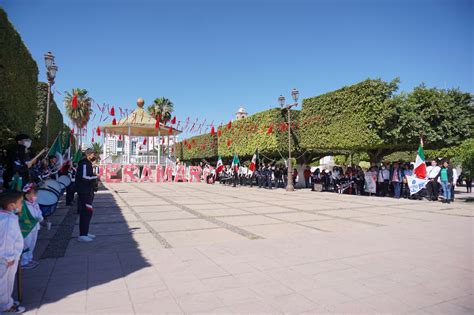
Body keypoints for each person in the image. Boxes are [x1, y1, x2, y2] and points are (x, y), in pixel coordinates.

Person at [0, 191, 26, 313]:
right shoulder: (9, 220)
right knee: (5, 283)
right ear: (11, 205)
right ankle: (6, 307)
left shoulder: (3, 216)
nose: (22, 205)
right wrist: (9, 257)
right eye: (20, 202)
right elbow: (6, 240)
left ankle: (7, 301)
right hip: (7, 259)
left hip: (5, 258)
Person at [76, 149, 98, 242]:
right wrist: (95, 177)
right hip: (84, 191)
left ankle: (85, 232)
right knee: (86, 211)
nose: (94, 155)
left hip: (88, 190)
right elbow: (84, 177)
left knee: (88, 211)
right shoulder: (84, 163)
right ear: (88, 154)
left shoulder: (88, 163)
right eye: (93, 154)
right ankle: (82, 235)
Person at [19, 184, 43, 269]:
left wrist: (40, 218)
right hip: (27, 228)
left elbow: (39, 212)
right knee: (26, 244)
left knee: (32, 244)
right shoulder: (23, 205)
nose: (35, 196)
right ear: (26, 195)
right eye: (33, 193)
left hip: (35, 226)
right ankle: (24, 262)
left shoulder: (35, 203)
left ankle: (29, 259)